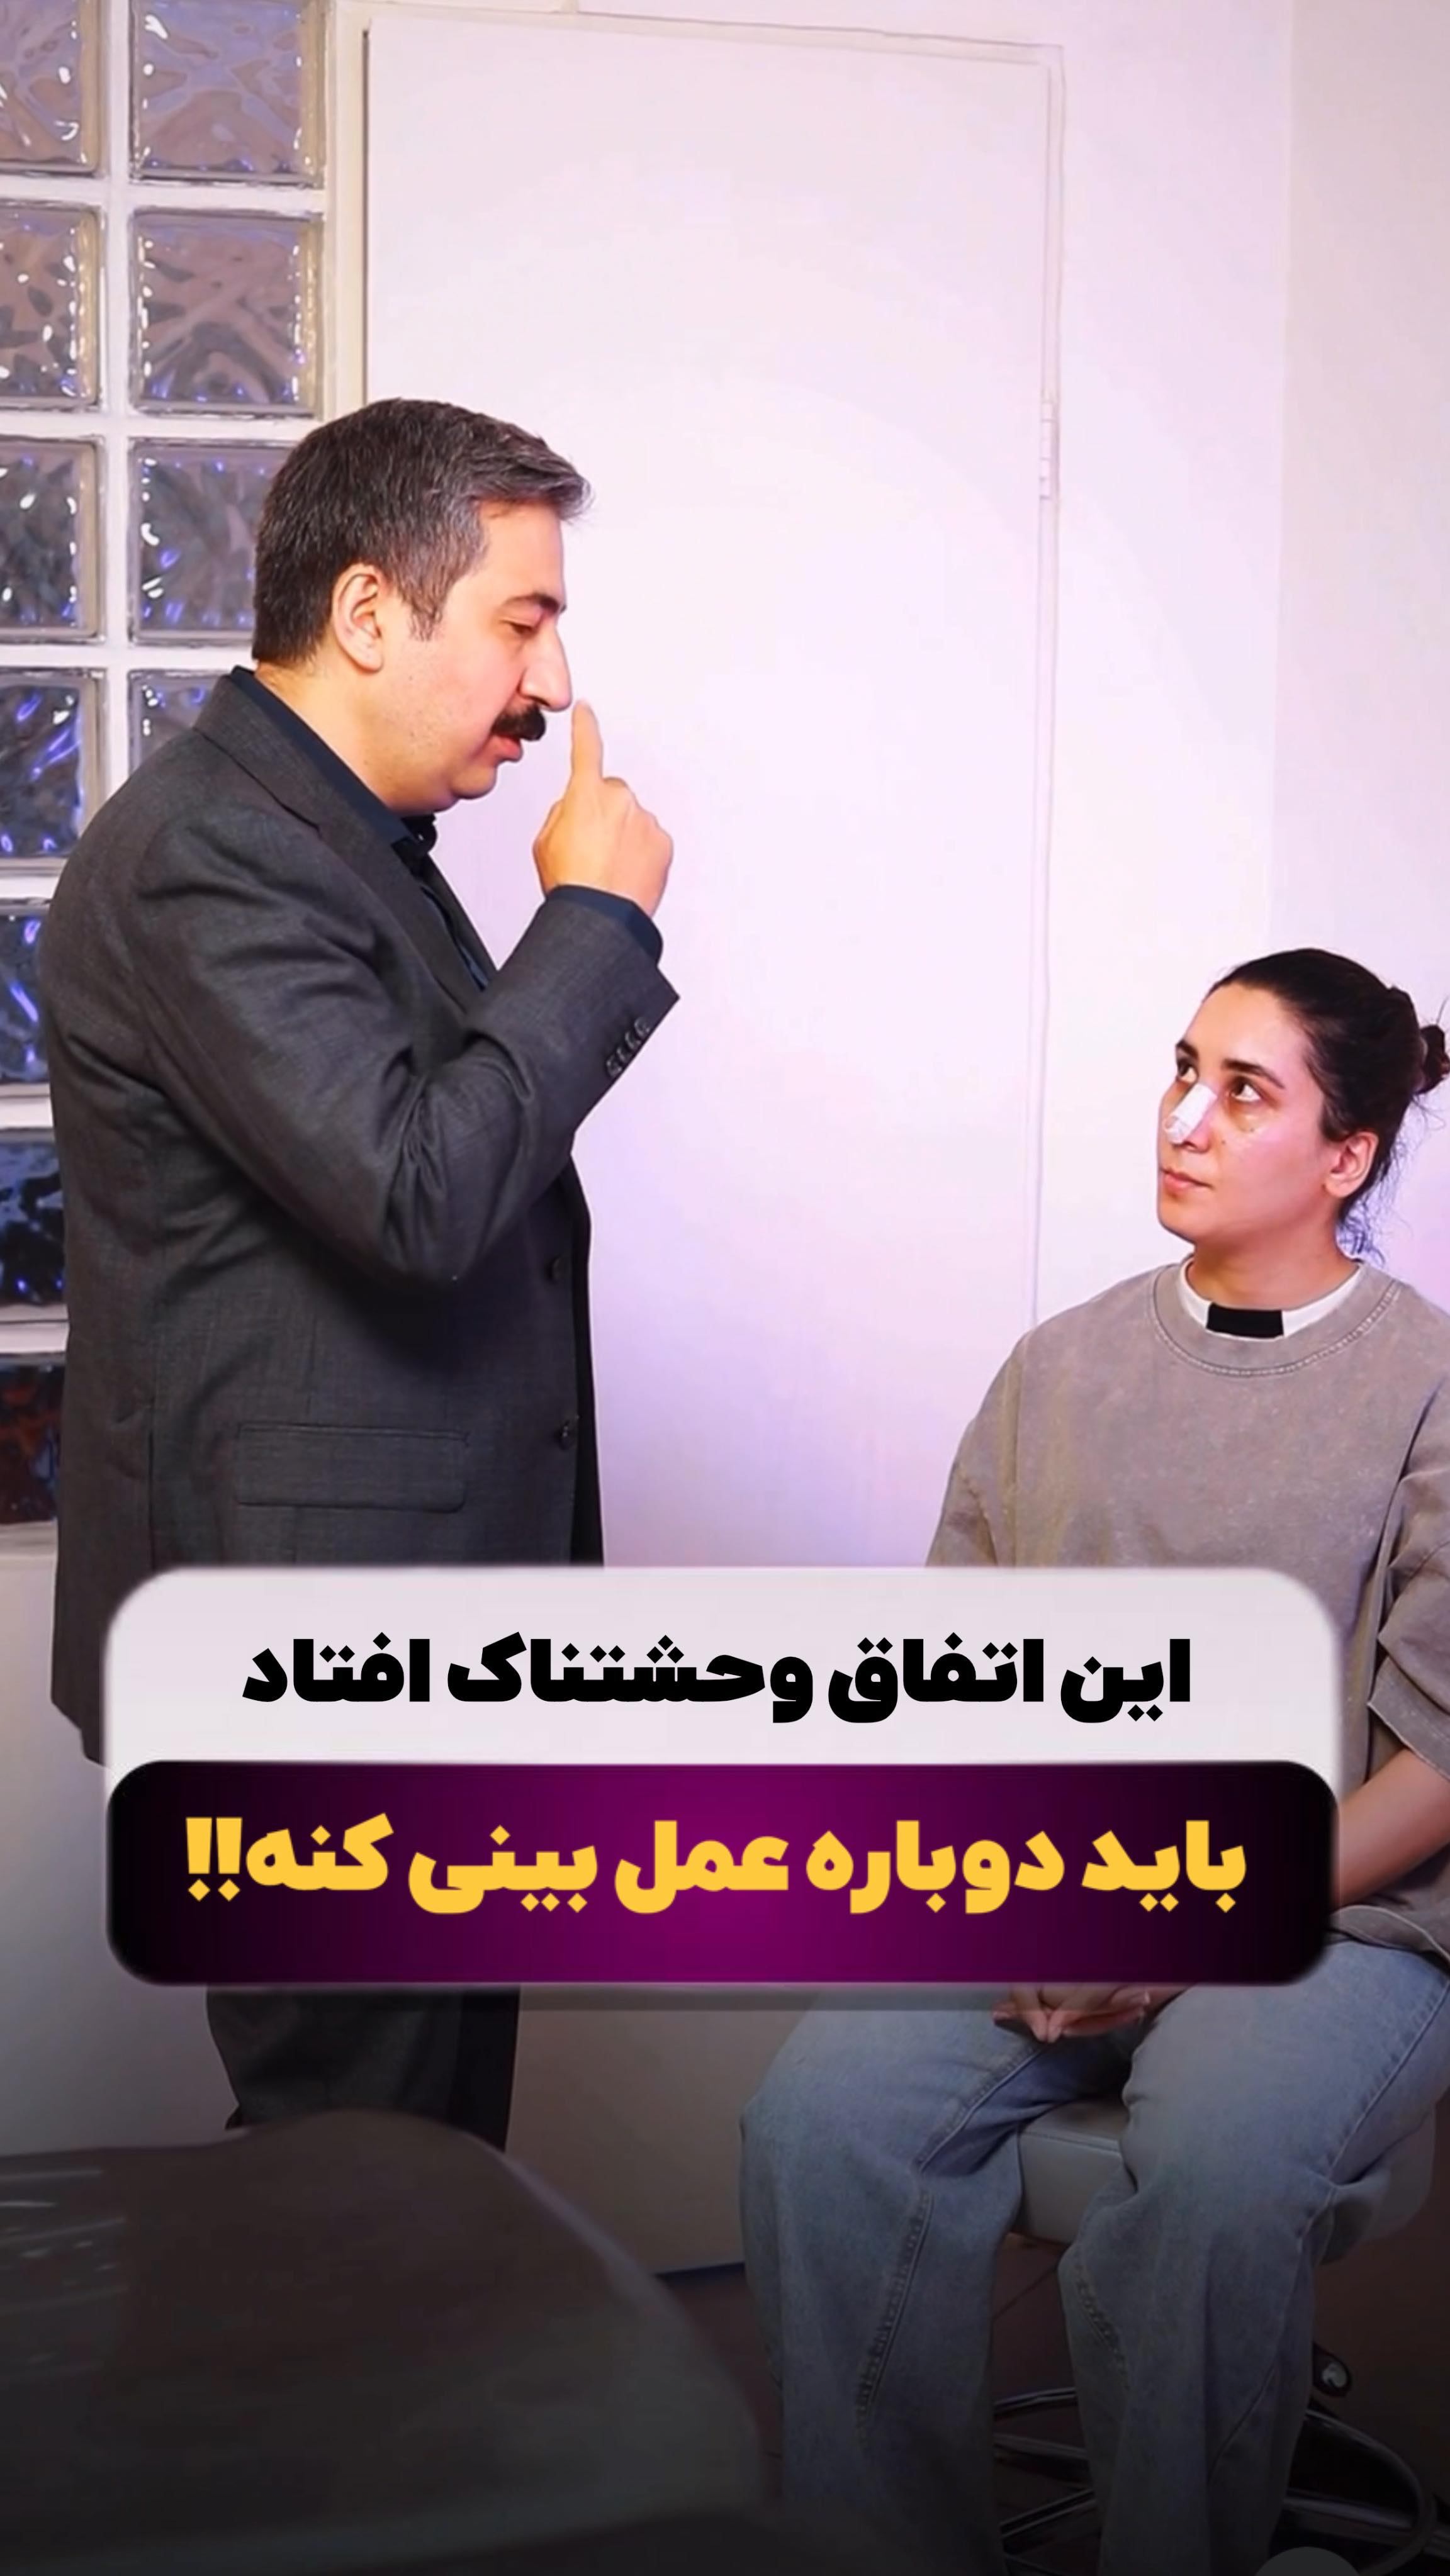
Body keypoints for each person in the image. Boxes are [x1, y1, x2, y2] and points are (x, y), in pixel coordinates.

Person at [741, 949, 1450, 2576]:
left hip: (1338, 1916)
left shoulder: (1427, 1385)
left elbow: (1436, 1763)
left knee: (1209, 2175)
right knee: (815, 2130)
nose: (1184, 1118)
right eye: (1183, 1071)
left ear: (1345, 1157)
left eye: (1244, 1092)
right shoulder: (1059, 1369)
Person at [41, 397, 676, 2144]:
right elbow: (418, 1194)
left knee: (430, 2173)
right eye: (524, 622)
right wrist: (598, 925)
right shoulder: (208, 855)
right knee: (356, 2184)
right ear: (373, 614)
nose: (550, 684)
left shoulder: (338, 840)